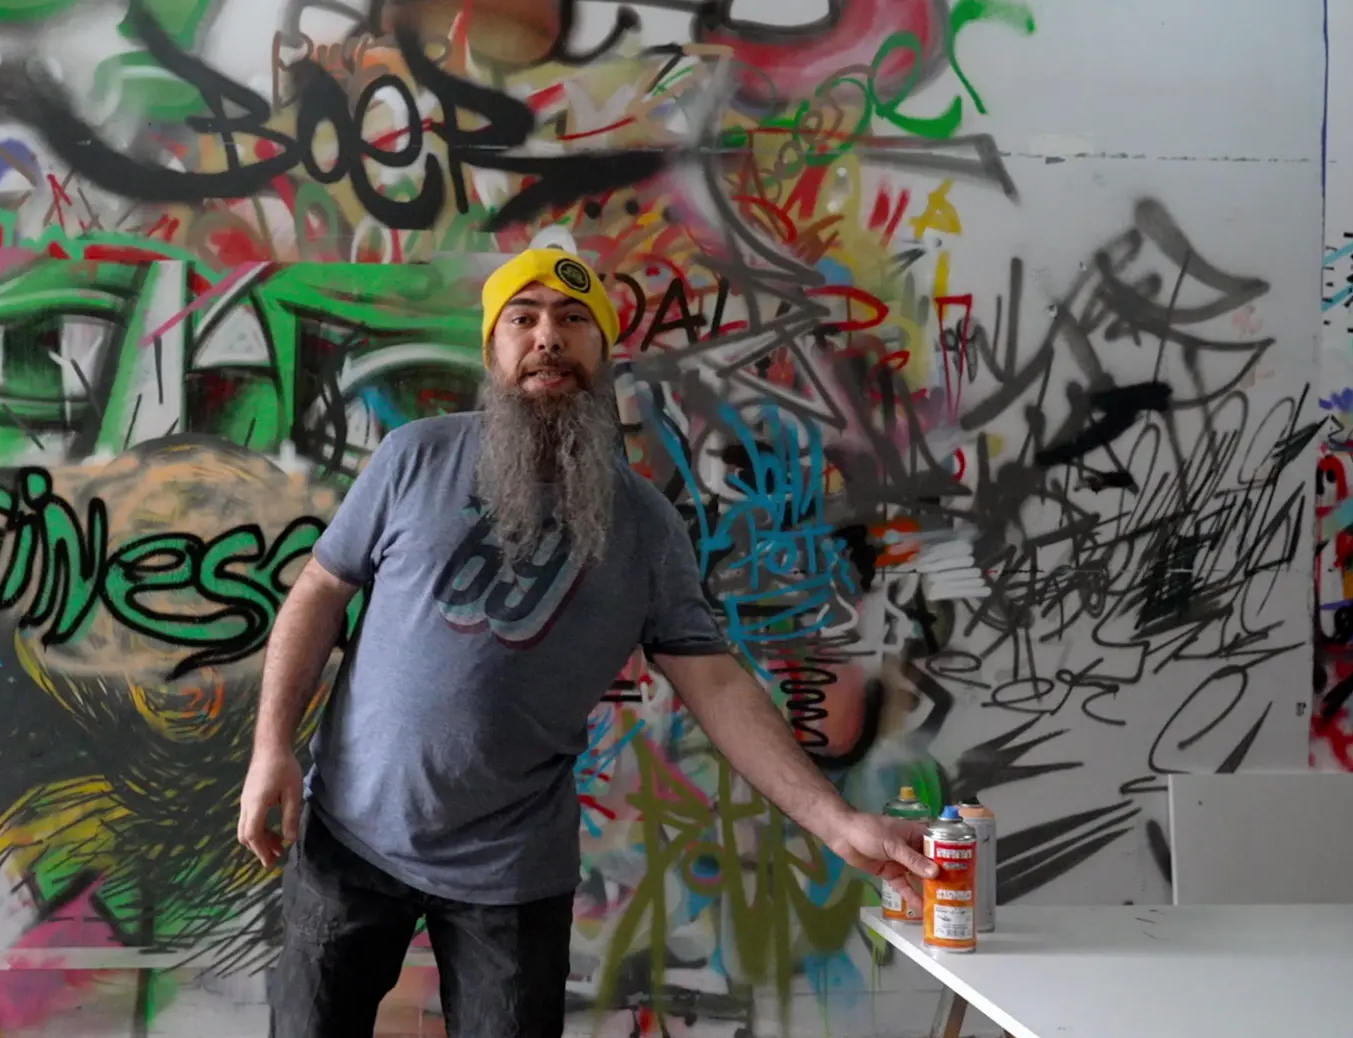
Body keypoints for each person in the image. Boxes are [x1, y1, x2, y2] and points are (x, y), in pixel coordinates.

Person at [238, 247, 937, 1038]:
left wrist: (837, 822)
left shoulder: (645, 525)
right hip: (349, 840)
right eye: (524, 318)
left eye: (574, 320)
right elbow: (319, 591)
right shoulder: (413, 457)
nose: (549, 337)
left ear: (603, 355)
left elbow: (716, 684)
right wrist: (271, 749)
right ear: (493, 348)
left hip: (511, 876)